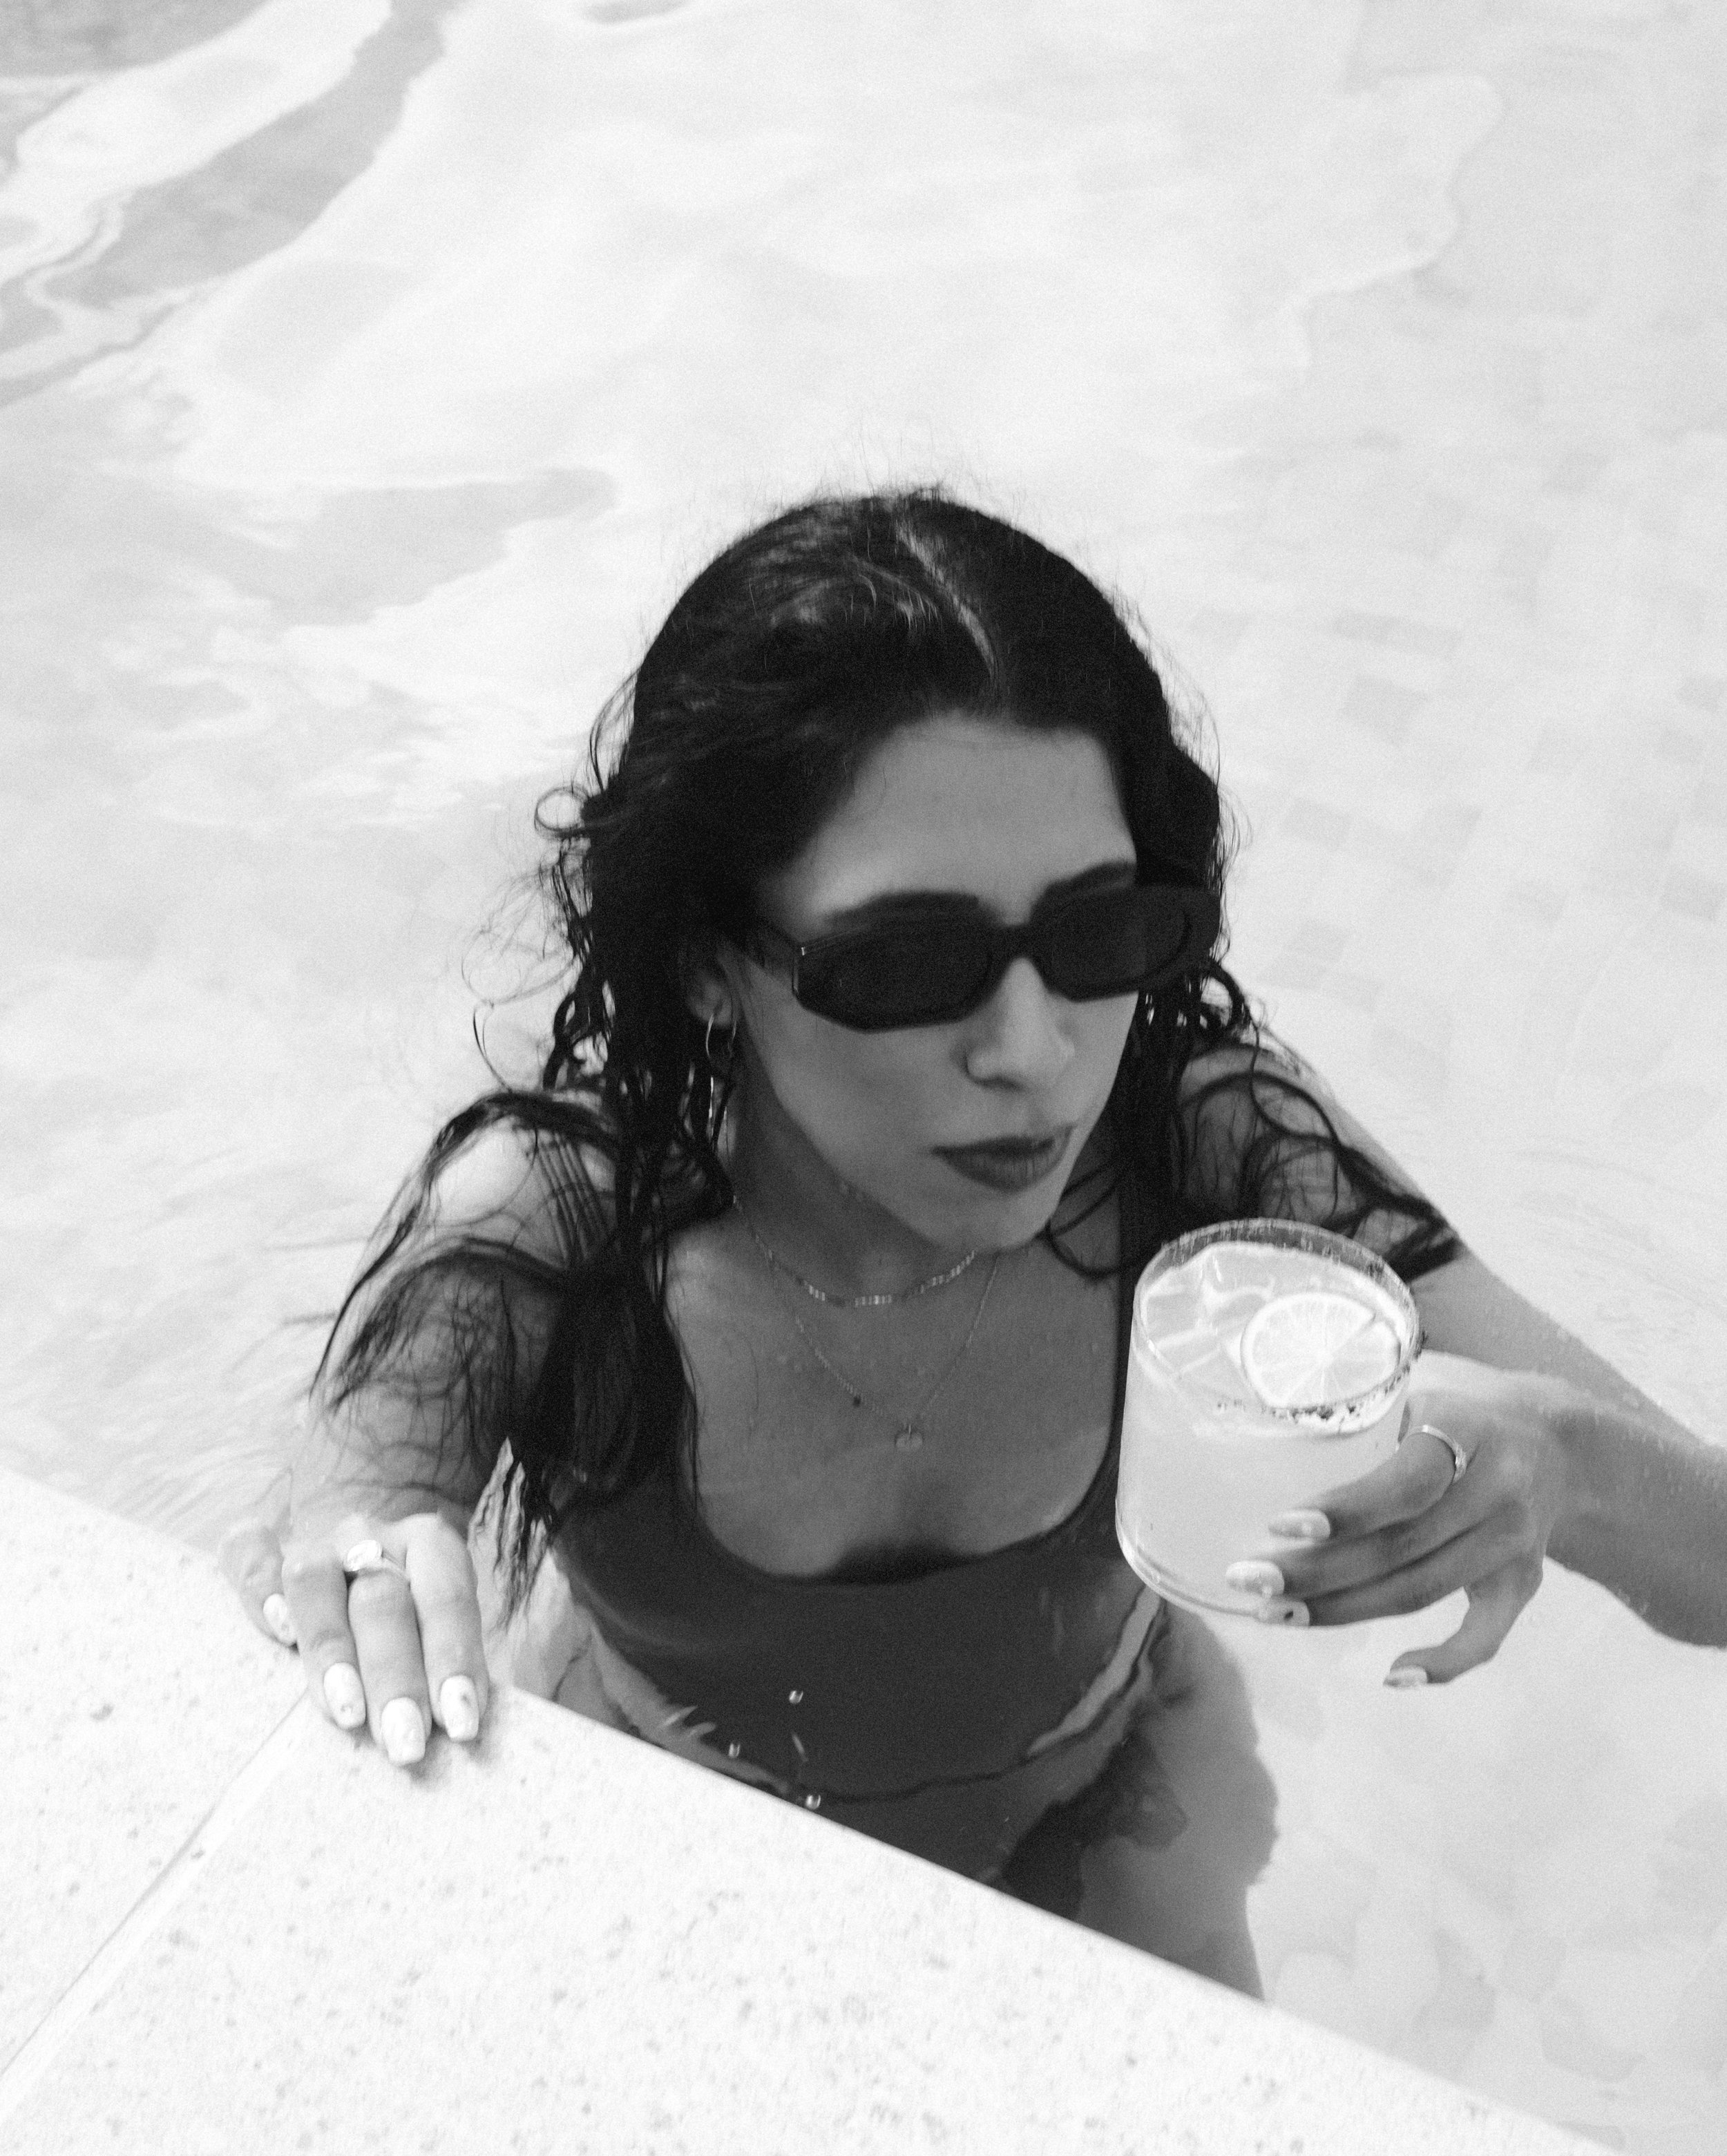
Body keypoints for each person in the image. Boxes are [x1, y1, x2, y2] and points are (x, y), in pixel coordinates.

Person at [224, 490, 1727, 1996]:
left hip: (1107, 1801)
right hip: (671, 1827)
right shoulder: (559, 1228)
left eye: (1099, 933)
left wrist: (1570, 1467)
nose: (1033, 1053)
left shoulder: (1192, 1140)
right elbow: (340, 1541)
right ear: (701, 960)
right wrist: (364, 1566)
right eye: (908, 961)